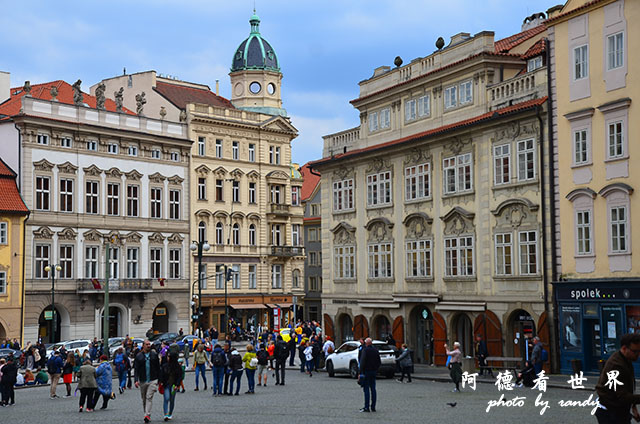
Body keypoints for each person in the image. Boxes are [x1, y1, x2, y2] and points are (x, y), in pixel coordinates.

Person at [595, 333, 640, 423]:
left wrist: (633, 407)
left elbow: (627, 388)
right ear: (624, 348)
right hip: (610, 413)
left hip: (618, 410)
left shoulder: (625, 358)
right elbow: (622, 397)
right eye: (635, 351)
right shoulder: (616, 365)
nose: (638, 354)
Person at [134, 339, 161, 423]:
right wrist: (136, 380)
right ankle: (146, 413)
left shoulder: (154, 355)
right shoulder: (139, 356)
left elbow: (158, 367)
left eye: (149, 344)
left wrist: (160, 379)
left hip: (153, 379)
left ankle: (147, 414)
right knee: (144, 398)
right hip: (143, 380)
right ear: (143, 346)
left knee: (149, 397)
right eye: (147, 344)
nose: (149, 345)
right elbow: (136, 369)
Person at [359, 338, 381, 413]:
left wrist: (360, 372)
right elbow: (379, 361)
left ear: (366, 343)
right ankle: (373, 406)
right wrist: (376, 369)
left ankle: (366, 407)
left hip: (366, 371)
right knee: (373, 389)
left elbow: (362, 362)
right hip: (373, 371)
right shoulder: (375, 350)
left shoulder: (365, 350)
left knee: (366, 389)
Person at [160, 351, 183, 421]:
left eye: (169, 357)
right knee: (166, 398)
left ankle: (170, 413)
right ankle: (165, 413)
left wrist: (177, 384)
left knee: (172, 400)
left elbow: (180, 376)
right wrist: (160, 381)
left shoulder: (177, 367)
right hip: (166, 385)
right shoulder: (165, 366)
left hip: (174, 385)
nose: (167, 358)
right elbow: (161, 374)